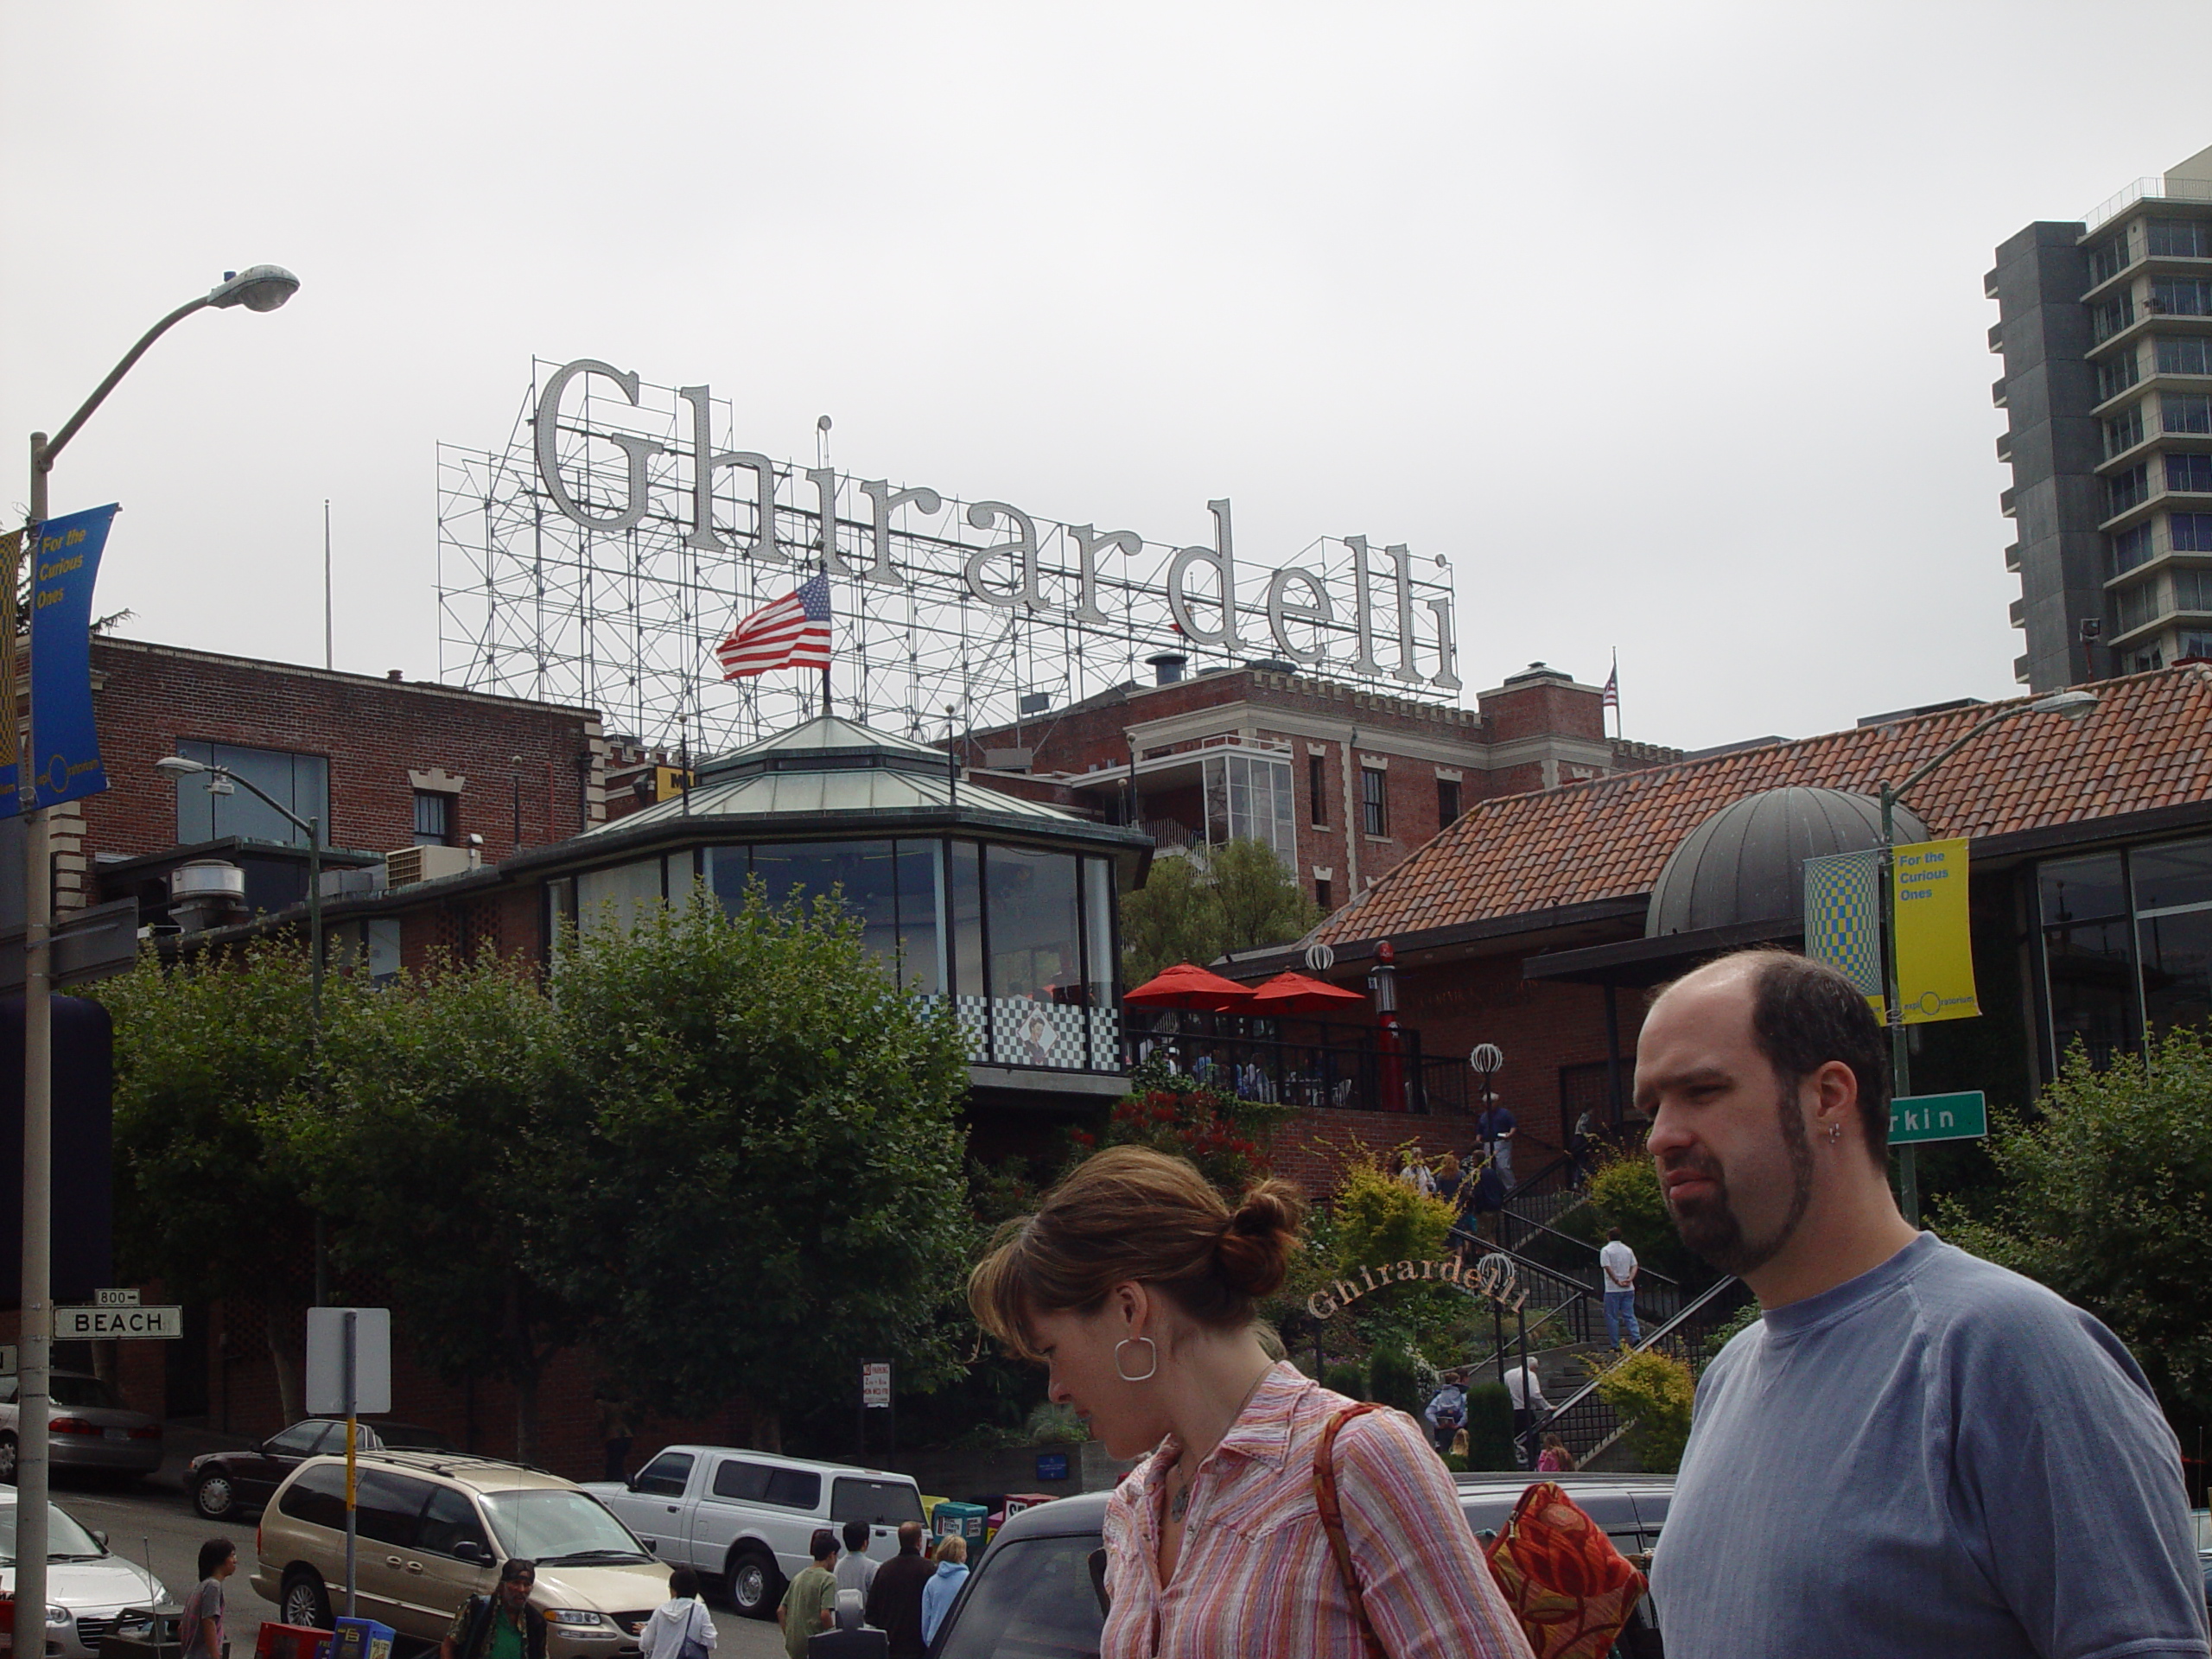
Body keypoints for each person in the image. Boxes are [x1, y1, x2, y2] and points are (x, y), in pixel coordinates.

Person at [1637, 949, 2209, 1656]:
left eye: (1701, 1091)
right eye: (1651, 1105)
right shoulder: (1725, 1378)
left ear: (1827, 1097)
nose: (1662, 1135)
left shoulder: (2010, 1349)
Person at [969, 1142, 1532, 1656]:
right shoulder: (1133, 1510)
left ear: (1128, 1310)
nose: (1056, 1389)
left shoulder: (1360, 1459)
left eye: (1051, 1350)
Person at [443, 1560, 546, 1659]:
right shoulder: (477, 1608)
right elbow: (448, 1646)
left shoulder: (536, 1621)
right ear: (502, 1585)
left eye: (527, 1585)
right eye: (516, 1583)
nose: (521, 1589)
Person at [862, 1521, 936, 1659]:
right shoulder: (929, 1570)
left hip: (891, 1646)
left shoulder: (885, 1570)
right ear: (919, 1542)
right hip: (918, 1647)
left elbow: (871, 1612)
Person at [778, 1530, 841, 1659]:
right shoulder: (828, 1579)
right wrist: (835, 1637)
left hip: (795, 1647)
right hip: (814, 1647)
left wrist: (790, 1637)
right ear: (831, 1555)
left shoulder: (798, 1577)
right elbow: (825, 1615)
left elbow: (781, 1611)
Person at [639, 1567, 715, 1659]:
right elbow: (710, 1642)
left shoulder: (660, 1611)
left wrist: (644, 1631)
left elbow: (645, 1644)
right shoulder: (699, 1610)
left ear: (674, 1590)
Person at [181, 1538, 235, 1659]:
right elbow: (209, 1621)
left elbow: (181, 1627)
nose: (235, 1561)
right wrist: (215, 1656)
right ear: (219, 1560)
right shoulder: (213, 1586)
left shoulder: (200, 1587)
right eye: (232, 1556)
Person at [918, 1536, 969, 1646]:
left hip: (935, 1638)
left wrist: (928, 1640)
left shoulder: (932, 1582)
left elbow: (926, 1616)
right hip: (959, 1639)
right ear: (962, 1555)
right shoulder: (968, 1580)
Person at [1501, 1357, 1549, 1466]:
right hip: (1525, 1411)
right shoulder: (1530, 1375)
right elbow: (1534, 1394)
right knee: (1531, 1441)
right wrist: (1546, 1406)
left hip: (1512, 1411)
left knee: (1516, 1440)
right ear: (1533, 1367)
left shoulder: (1508, 1374)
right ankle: (1532, 1465)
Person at [1599, 1225, 1640, 1347]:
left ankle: (1615, 1344)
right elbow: (1634, 1265)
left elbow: (1607, 1267)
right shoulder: (1627, 1250)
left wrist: (1616, 1280)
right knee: (1629, 1314)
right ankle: (1636, 1336)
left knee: (1611, 1316)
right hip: (1628, 1287)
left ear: (1608, 1237)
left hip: (1612, 1289)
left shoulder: (1606, 1250)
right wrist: (1630, 1278)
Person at [1423, 1369, 1469, 1455]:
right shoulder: (1463, 1395)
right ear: (1458, 1381)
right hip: (1459, 1430)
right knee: (1460, 1453)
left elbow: (1428, 1412)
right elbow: (1467, 1411)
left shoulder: (1440, 1396)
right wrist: (1459, 1424)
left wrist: (1437, 1424)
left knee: (1445, 1455)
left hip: (1443, 1430)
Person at [833, 1518, 879, 1602]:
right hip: (864, 1614)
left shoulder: (838, 1566)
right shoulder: (872, 1567)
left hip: (841, 1613)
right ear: (865, 1543)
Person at [1477, 1098, 1516, 1187]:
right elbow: (1480, 1131)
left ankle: (1511, 1189)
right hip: (1488, 1143)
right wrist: (1478, 1139)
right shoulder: (1484, 1116)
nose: (1489, 1105)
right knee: (1490, 1167)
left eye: (1491, 1102)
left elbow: (1513, 1126)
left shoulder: (1505, 1113)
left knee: (1503, 1167)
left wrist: (1510, 1134)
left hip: (1501, 1142)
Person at [595, 1392, 634, 1483]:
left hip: (613, 1436)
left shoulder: (601, 1404)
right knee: (619, 1462)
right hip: (626, 1435)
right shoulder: (624, 1404)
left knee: (614, 1463)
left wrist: (602, 1433)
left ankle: (616, 1482)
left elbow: (601, 1420)